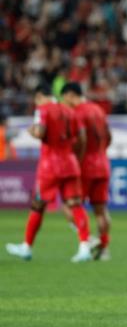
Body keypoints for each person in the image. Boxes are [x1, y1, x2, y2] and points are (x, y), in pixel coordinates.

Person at [6, 84, 92, 262]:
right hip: (70, 162)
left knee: (38, 204)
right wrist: (77, 158)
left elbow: (40, 132)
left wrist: (31, 131)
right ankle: (85, 247)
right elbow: (82, 137)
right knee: (75, 205)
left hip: (50, 165)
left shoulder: (42, 109)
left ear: (39, 96)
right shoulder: (69, 110)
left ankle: (27, 247)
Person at [61, 82, 113, 261]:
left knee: (70, 205)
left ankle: (88, 239)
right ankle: (104, 248)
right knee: (101, 210)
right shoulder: (98, 110)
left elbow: (79, 141)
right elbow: (109, 136)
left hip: (84, 166)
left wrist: (76, 160)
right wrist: (101, 152)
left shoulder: (77, 113)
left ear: (69, 95)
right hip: (102, 163)